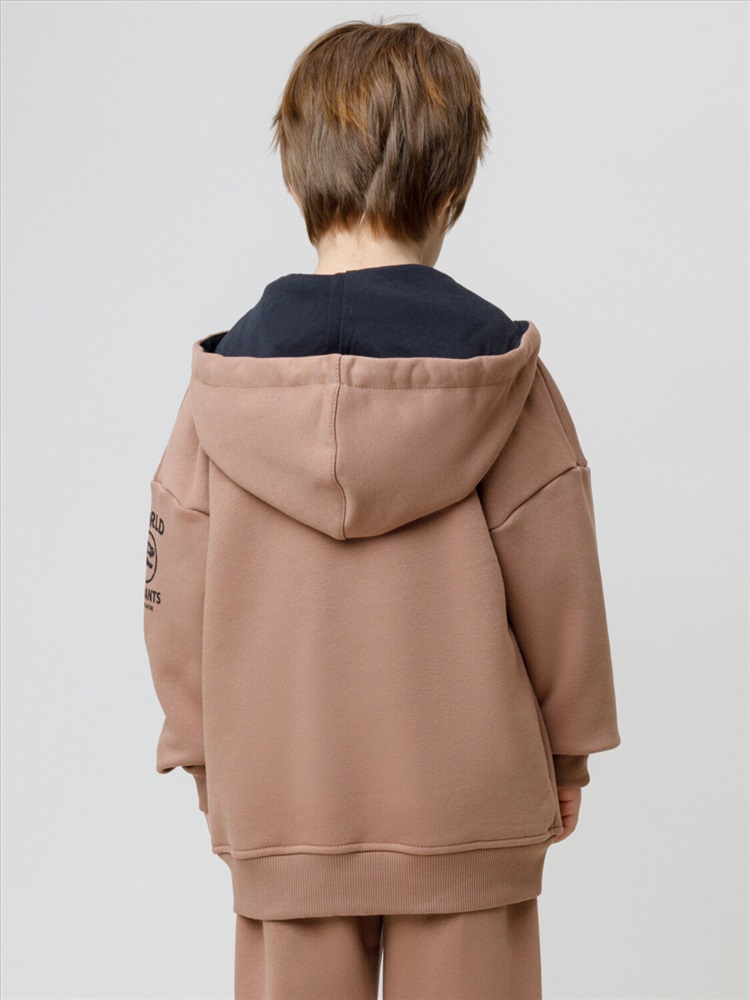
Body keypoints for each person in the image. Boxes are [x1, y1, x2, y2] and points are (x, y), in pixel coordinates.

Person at [143, 17, 621, 1000]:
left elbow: (172, 594)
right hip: (468, 807)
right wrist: (566, 752)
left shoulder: (222, 395)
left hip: (283, 795)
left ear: (296, 184)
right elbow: (559, 575)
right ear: (453, 195)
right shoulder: (506, 379)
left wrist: (202, 754)